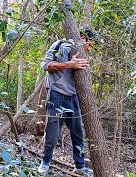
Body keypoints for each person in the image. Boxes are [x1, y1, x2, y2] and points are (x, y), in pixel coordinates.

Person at [38, 31, 93, 176]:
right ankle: (45, 163)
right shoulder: (60, 44)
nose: (90, 48)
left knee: (78, 133)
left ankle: (80, 166)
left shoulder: (82, 54)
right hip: (56, 94)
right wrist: (69, 64)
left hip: (73, 98)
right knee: (52, 133)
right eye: (89, 44)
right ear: (82, 39)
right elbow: (46, 65)